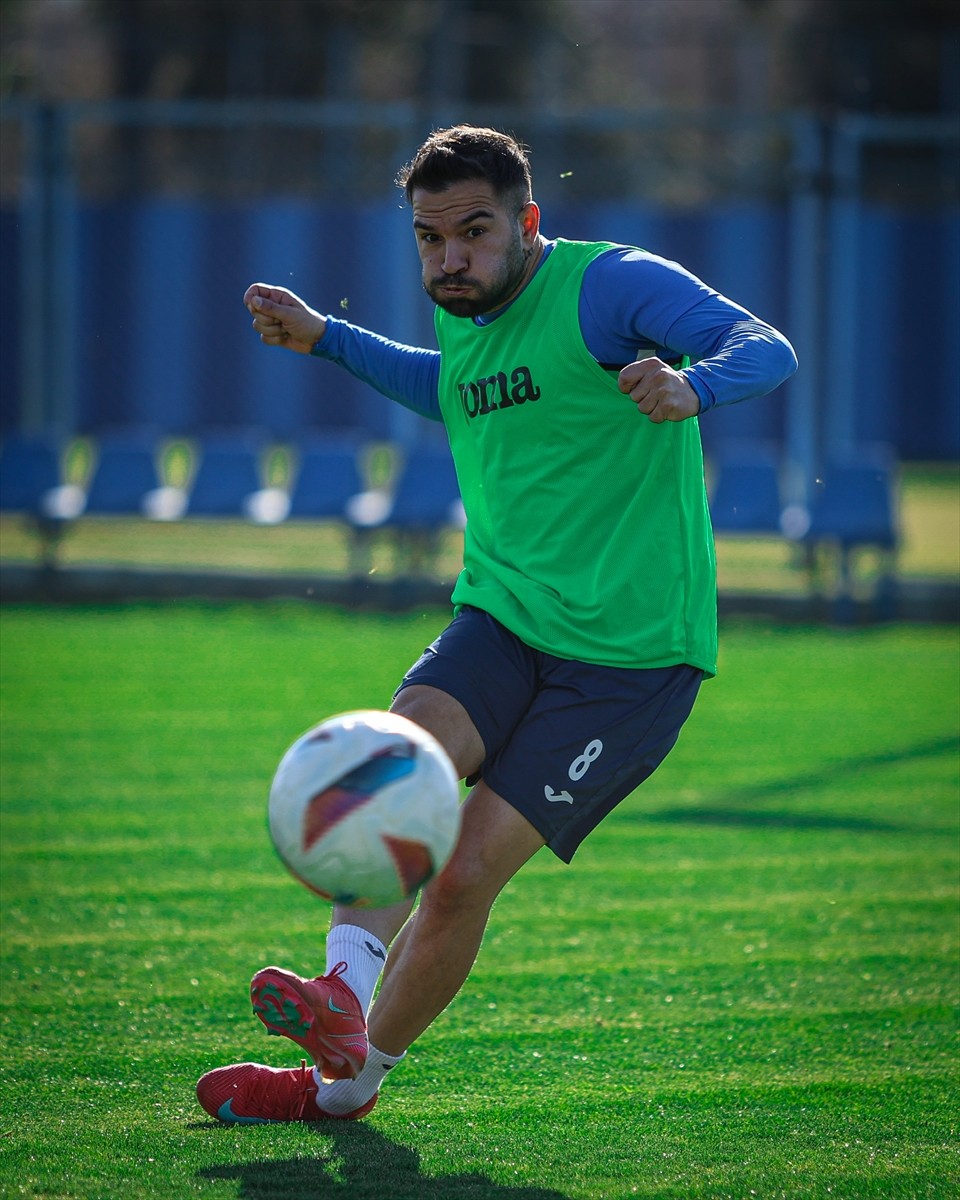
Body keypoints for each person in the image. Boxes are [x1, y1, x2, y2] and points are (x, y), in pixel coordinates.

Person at [196, 124, 797, 1125]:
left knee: (463, 873)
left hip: (631, 659)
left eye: (473, 232)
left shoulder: (609, 287)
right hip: (505, 613)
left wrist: (695, 384)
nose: (449, 259)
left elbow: (764, 347)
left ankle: (350, 1084)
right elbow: (455, 394)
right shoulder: (465, 311)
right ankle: (340, 996)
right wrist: (326, 335)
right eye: (429, 239)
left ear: (526, 222)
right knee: (403, 753)